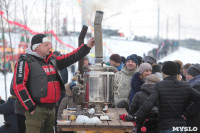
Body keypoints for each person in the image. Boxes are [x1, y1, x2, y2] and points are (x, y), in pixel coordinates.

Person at [13, 34, 95, 133]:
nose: (49, 47)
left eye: (50, 44)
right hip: (36, 110)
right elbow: (18, 86)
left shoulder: (52, 60)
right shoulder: (25, 61)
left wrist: (87, 47)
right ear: (37, 47)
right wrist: (31, 107)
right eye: (46, 44)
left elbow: (71, 57)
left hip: (51, 109)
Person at [125, 61, 200, 133]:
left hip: (166, 126)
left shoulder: (160, 85)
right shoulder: (185, 85)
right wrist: (188, 113)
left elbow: (149, 103)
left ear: (164, 72)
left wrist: (135, 116)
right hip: (181, 127)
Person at [185, 64, 200, 131]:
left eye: (188, 74)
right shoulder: (193, 85)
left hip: (195, 120)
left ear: (195, 75)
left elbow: (195, 104)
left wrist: (186, 114)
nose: (186, 76)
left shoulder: (196, 86)